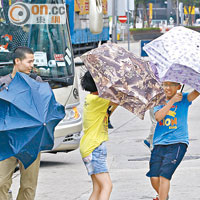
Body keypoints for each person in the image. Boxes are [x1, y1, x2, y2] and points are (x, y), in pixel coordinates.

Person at [0, 46, 42, 200]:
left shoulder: (36, 82)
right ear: (17, 61)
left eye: (33, 61)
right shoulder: (2, 83)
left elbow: (43, 108)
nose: (32, 65)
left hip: (30, 141)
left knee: (28, 186)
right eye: (29, 61)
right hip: (6, 141)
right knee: (1, 183)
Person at [146, 81, 199, 200]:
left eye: (172, 85)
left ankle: (162, 197)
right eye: (165, 85)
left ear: (179, 87)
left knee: (164, 175)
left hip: (178, 143)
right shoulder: (158, 101)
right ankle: (162, 195)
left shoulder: (184, 98)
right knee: (154, 177)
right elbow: (158, 117)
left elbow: (196, 92)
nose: (167, 88)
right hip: (159, 143)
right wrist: (172, 101)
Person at [80, 71, 117, 200]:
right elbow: (118, 97)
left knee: (98, 187)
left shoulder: (91, 99)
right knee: (107, 186)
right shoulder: (98, 100)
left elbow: (107, 113)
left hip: (89, 147)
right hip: (95, 148)